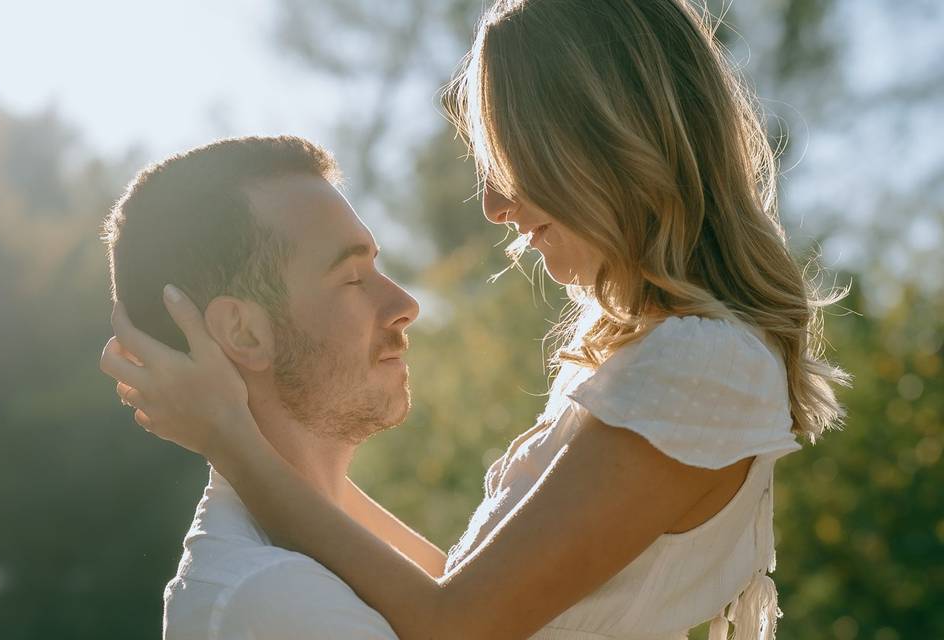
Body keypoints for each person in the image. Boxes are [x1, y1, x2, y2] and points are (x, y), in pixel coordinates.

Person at [100, 1, 851, 638]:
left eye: (512, 159)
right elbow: (459, 588)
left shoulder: (698, 366)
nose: (494, 206)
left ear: (602, 140)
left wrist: (233, 442)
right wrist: (251, 450)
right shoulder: (656, 364)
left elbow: (456, 623)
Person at [101, 135, 439, 639]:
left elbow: (459, 597)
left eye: (376, 267)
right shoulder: (277, 599)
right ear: (243, 332)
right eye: (351, 277)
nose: (404, 303)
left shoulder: (309, 566)